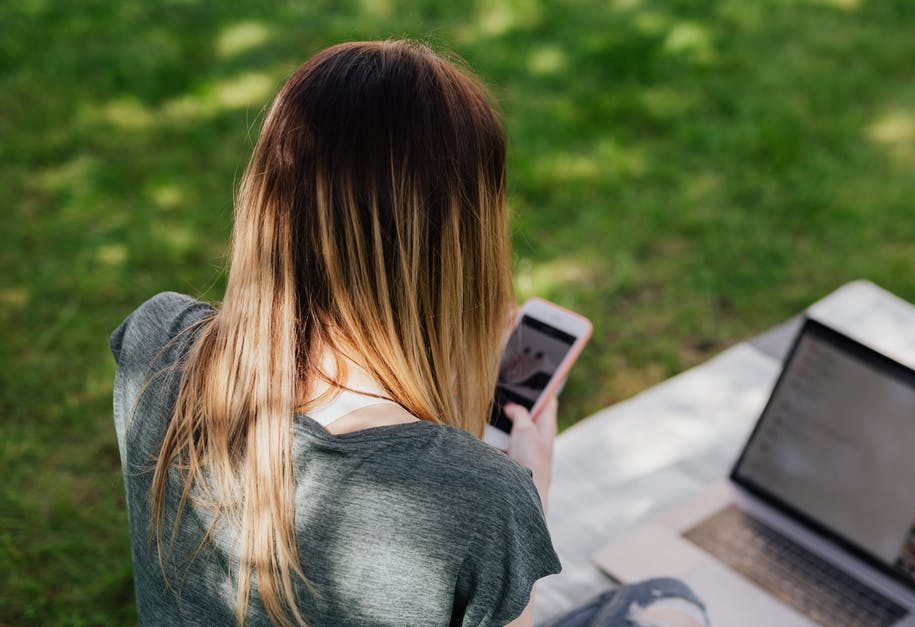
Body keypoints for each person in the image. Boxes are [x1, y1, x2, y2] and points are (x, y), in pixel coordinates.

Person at [110, 40, 706, 626]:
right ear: (462, 245)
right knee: (671, 605)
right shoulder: (482, 498)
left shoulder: (154, 342)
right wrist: (531, 489)